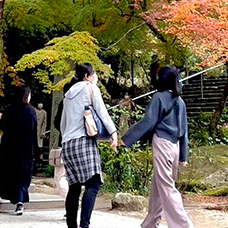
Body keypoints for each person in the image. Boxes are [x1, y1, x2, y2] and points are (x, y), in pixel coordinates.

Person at [122, 66, 193, 228]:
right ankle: (150, 224)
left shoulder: (158, 98)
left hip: (162, 143)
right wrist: (184, 156)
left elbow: (148, 121)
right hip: (175, 147)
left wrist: (127, 138)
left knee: (167, 187)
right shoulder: (180, 101)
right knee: (159, 185)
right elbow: (184, 131)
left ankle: (183, 225)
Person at [60, 63, 118, 228]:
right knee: (93, 183)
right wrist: (113, 132)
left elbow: (63, 123)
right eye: (93, 74)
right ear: (87, 76)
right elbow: (102, 111)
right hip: (83, 141)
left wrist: (65, 142)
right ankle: (84, 225)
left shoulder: (68, 95)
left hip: (67, 144)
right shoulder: (90, 88)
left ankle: (72, 226)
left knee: (74, 187)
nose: (95, 77)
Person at [0, 87, 38, 215]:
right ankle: (20, 202)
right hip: (26, 149)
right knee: (22, 177)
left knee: (5, 171)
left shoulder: (10, 110)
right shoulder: (32, 111)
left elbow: (2, 127)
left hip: (9, 148)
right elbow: (34, 132)